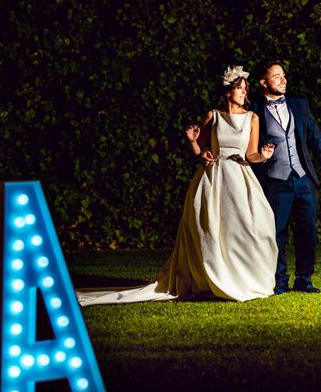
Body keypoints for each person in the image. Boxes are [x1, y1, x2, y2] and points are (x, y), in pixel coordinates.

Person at [77, 66, 277, 306]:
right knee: (213, 230)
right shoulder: (213, 116)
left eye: (245, 89)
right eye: (239, 88)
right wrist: (194, 143)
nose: (244, 93)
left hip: (241, 177)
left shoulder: (251, 118)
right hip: (214, 179)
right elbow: (201, 151)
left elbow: (251, 154)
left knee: (252, 227)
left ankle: (245, 278)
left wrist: (263, 156)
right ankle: (211, 279)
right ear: (227, 92)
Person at [250, 60, 321, 294]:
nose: (283, 79)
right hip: (275, 180)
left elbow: (314, 137)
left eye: (283, 75)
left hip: (303, 178)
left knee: (307, 229)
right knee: (276, 232)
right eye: (276, 76)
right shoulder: (254, 110)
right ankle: (279, 281)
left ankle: (304, 279)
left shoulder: (299, 104)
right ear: (263, 82)